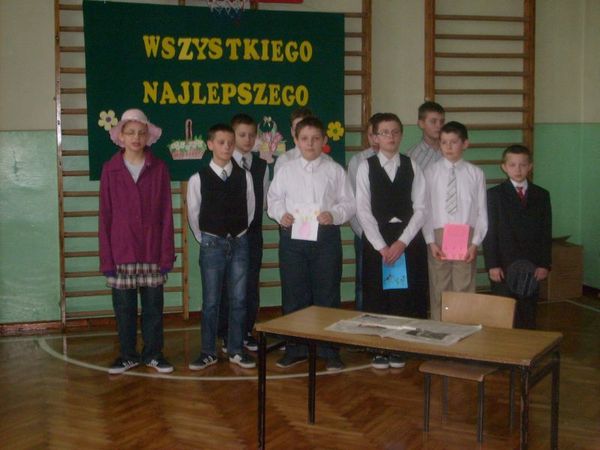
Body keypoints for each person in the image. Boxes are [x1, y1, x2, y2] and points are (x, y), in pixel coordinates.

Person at [267, 116, 355, 371]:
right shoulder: (286, 170)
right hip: (293, 238)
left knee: (327, 294)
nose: (310, 143)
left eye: (316, 138)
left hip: (325, 238)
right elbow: (273, 199)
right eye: (304, 138)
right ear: (296, 140)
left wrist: (334, 214)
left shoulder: (334, 170)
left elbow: (349, 203)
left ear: (324, 140)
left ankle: (329, 351)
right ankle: (296, 349)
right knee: (294, 294)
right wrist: (280, 214)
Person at [99, 108, 175, 375]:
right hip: (122, 251)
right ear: (121, 136)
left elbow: (166, 213)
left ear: (148, 136)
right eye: (130, 132)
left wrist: (166, 255)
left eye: (141, 133)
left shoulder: (159, 168)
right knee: (124, 309)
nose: (136, 138)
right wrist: (107, 260)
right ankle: (127, 355)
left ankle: (153, 353)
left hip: (152, 250)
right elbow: (105, 216)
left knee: (153, 308)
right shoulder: (110, 169)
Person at [356, 113, 428, 369]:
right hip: (378, 239)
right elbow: (363, 210)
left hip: (407, 239)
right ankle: (379, 347)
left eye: (395, 131)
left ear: (401, 135)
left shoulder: (412, 165)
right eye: (384, 132)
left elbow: (421, 208)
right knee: (377, 293)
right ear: (375, 137)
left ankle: (400, 346)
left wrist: (402, 243)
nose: (391, 136)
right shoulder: (365, 167)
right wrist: (381, 246)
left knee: (404, 294)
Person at [187, 123, 256, 370]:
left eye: (230, 143)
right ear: (210, 145)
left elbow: (250, 209)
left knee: (239, 299)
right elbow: (194, 213)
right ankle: (208, 352)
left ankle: (236, 349)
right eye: (221, 142)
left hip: (239, 242)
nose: (226, 147)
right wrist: (206, 238)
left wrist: (238, 232)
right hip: (211, 243)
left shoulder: (244, 176)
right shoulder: (198, 178)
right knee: (211, 301)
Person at [423, 121, 487, 320]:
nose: (448, 147)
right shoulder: (430, 172)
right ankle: (439, 328)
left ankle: (463, 328)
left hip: (465, 236)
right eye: (444, 142)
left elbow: (481, 211)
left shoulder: (475, 173)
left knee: (463, 287)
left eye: (454, 142)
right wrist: (430, 241)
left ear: (465, 144)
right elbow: (425, 210)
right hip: (438, 235)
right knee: (439, 286)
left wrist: (475, 243)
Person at [483, 145, 552, 329]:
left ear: (530, 166)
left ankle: (527, 344)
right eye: (513, 165)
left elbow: (546, 231)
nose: (518, 169)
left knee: (528, 311)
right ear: (504, 167)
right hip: (504, 265)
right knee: (504, 312)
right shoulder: (494, 195)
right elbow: (489, 232)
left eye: (523, 165)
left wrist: (544, 264)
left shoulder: (541, 195)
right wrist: (492, 264)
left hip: (531, 265)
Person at [218, 113, 268, 352]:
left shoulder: (262, 166)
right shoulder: (224, 163)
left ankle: (246, 331)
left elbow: (264, 199)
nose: (247, 140)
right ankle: (227, 333)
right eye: (242, 135)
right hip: (228, 235)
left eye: (252, 135)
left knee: (250, 284)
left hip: (253, 234)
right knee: (228, 286)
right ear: (232, 135)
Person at [347, 113, 382, 311]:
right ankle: (361, 322)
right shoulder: (358, 161)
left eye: (380, 134)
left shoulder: (403, 162)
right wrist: (365, 234)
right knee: (363, 282)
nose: (376, 140)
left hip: (392, 237)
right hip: (365, 235)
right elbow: (353, 203)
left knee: (391, 282)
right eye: (371, 135)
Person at [273, 107, 331, 175]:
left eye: (303, 128)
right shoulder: (283, 161)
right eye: (296, 129)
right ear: (292, 131)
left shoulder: (328, 161)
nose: (300, 133)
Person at [406, 101, 446, 172]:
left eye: (442, 122)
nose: (439, 126)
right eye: (433, 121)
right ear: (421, 124)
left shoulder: (451, 151)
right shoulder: (411, 156)